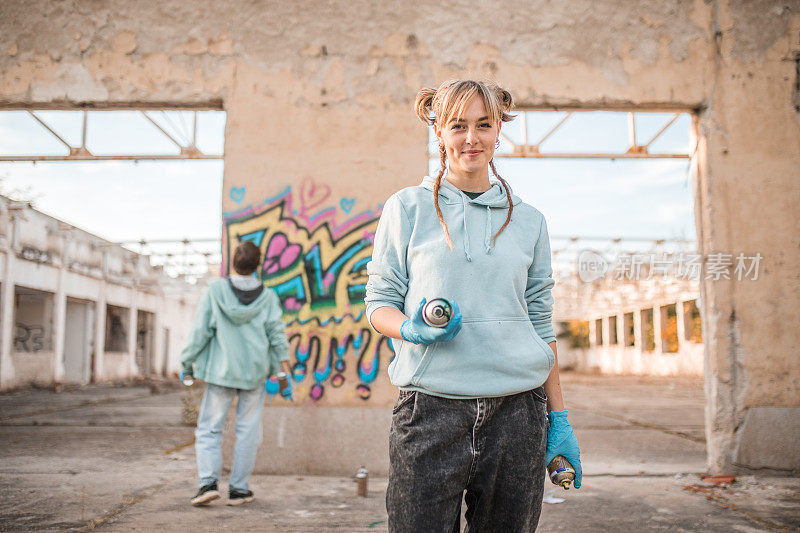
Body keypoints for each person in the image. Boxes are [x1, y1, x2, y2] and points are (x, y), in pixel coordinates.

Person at [364, 79, 582, 532]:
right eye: (458, 125)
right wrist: (410, 329)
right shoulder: (406, 209)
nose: (471, 138)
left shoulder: (529, 222)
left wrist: (558, 418)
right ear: (438, 131)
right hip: (430, 410)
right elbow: (380, 303)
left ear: (499, 129)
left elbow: (541, 325)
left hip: (518, 414)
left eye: (484, 124)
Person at [179, 241, 293, 506]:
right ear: (258, 264)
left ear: (233, 261)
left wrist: (186, 362)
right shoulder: (267, 297)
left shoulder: (215, 290)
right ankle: (239, 489)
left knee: (209, 429)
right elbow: (277, 337)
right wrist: (282, 373)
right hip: (254, 373)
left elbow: (200, 332)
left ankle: (207, 483)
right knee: (248, 431)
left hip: (221, 373)